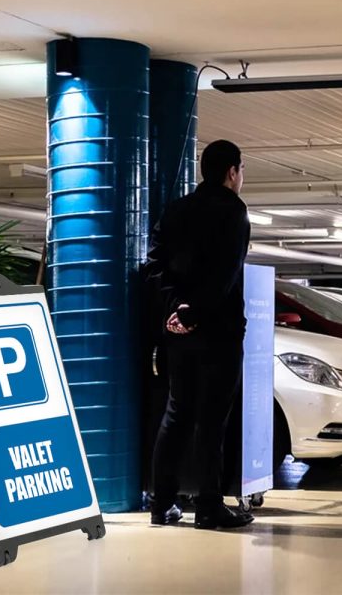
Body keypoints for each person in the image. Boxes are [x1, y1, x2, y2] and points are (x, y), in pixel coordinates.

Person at [145, 139, 253, 529]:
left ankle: (162, 505)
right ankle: (208, 507)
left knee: (176, 414)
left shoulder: (176, 210)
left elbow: (153, 263)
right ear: (231, 172)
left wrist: (176, 308)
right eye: (241, 171)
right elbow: (224, 275)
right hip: (218, 333)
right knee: (211, 422)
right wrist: (196, 313)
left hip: (179, 333)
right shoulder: (234, 213)